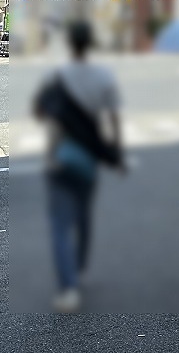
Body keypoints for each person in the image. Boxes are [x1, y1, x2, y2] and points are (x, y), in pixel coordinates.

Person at [33, 21, 123, 314]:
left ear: (70, 44)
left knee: (60, 225)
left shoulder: (57, 77)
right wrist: (115, 153)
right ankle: (80, 268)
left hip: (60, 157)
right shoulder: (103, 77)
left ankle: (68, 287)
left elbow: (41, 112)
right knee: (84, 215)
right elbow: (113, 120)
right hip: (89, 159)